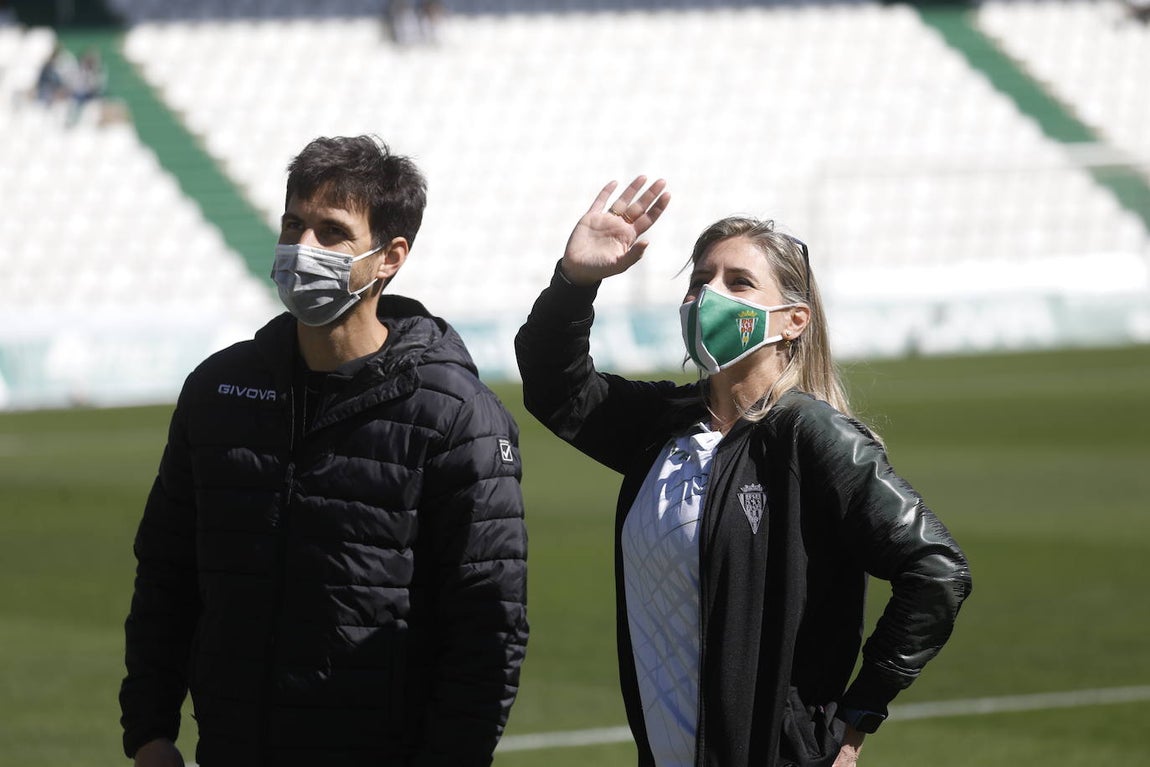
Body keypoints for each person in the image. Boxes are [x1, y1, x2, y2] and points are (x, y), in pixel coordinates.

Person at [515, 177, 972, 767]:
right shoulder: (664, 424)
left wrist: (859, 714)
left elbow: (936, 570)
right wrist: (575, 282)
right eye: (701, 279)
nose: (710, 295)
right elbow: (555, 388)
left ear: (794, 320)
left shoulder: (809, 433)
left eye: (739, 282)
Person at [120, 135, 529, 767]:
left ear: (389, 257)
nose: (301, 248)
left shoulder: (456, 415)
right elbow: (165, 575)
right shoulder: (216, 390)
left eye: (332, 232)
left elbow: (487, 628)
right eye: (293, 225)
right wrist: (149, 733)